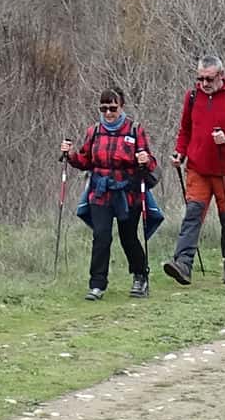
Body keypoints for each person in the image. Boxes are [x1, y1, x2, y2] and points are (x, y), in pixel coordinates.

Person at [163, 56, 225, 285]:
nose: (204, 83)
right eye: (200, 78)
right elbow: (185, 130)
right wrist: (179, 153)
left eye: (209, 79)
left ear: (221, 75)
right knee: (193, 215)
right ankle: (183, 264)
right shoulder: (192, 97)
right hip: (198, 169)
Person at [63, 87, 157, 300]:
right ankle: (97, 285)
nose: (108, 113)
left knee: (128, 238)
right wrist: (71, 155)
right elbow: (85, 161)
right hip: (100, 192)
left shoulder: (135, 130)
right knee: (101, 236)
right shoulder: (94, 131)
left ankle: (140, 276)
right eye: (103, 108)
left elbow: (151, 163)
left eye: (112, 108)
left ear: (121, 107)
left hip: (128, 192)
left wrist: (145, 160)